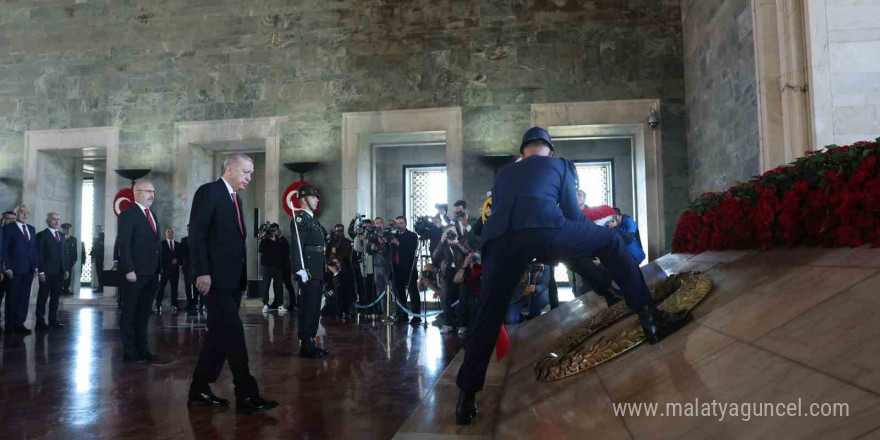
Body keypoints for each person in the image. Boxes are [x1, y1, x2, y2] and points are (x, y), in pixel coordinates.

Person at [454, 126, 691, 425]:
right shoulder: (561, 165)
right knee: (610, 241)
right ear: (550, 151)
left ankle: (465, 399)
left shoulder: (503, 174)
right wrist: (586, 233)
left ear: (521, 153)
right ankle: (650, 318)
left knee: (489, 313)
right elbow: (573, 216)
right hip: (545, 229)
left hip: (500, 243)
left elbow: (495, 216)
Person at [187, 152, 279, 414]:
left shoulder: (236, 199)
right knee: (235, 334)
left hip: (231, 281)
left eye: (251, 173)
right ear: (229, 170)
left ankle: (199, 389)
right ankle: (247, 394)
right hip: (213, 281)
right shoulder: (209, 192)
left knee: (219, 337)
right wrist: (202, 272)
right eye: (246, 172)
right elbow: (197, 235)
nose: (249, 177)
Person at [117, 180, 162, 363]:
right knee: (130, 313)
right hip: (134, 273)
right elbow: (124, 244)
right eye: (148, 191)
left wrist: (158, 270)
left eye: (153, 191)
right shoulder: (128, 214)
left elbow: (156, 245)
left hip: (151, 273)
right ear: (136, 193)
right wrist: (129, 269)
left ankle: (143, 350)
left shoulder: (152, 214)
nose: (152, 195)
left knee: (143, 314)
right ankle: (130, 353)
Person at [290, 184, 331, 359]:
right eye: (314, 197)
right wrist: (300, 269)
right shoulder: (301, 219)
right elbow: (297, 247)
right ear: (304, 200)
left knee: (314, 308)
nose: (317, 200)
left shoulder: (313, 220)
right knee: (308, 307)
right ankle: (306, 344)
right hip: (308, 270)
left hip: (317, 269)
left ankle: (311, 343)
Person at [1, 204, 40, 334]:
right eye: (21, 212)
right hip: (14, 270)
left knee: (24, 298)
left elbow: (33, 250)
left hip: (29, 270)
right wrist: (7, 268)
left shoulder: (31, 229)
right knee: (12, 298)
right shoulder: (8, 229)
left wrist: (35, 266)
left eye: (26, 212)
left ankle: (20, 323)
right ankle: (10, 324)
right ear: (16, 213)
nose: (24, 214)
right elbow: (4, 249)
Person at [35, 212, 69, 330]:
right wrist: (41, 271)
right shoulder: (41, 235)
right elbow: (39, 255)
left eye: (58, 219)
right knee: (43, 297)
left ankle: (53, 320)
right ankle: (40, 321)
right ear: (47, 221)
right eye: (54, 219)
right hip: (47, 272)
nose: (56, 221)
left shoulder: (62, 235)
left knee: (55, 298)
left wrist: (66, 269)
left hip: (59, 272)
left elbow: (64, 254)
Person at [432, 225, 468, 333]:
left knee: (462, 298)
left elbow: (468, 252)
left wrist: (457, 243)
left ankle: (463, 324)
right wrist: (441, 242)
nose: (451, 234)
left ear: (456, 232)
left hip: (460, 272)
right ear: (444, 234)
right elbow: (435, 258)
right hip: (446, 273)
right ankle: (448, 324)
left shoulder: (462, 240)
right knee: (446, 299)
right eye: (448, 233)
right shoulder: (442, 244)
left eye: (453, 231)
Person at [390, 216, 421, 325]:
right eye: (397, 223)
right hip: (396, 268)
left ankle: (417, 316)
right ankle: (402, 315)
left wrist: (398, 243)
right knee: (399, 293)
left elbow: (410, 249)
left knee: (413, 292)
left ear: (406, 223)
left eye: (401, 223)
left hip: (409, 268)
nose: (399, 225)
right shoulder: (393, 235)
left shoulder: (412, 235)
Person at [259, 223, 287, 313]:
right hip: (267, 266)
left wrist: (275, 240)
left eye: (274, 230)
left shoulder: (281, 240)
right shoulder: (266, 239)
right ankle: (265, 304)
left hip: (277, 266)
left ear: (278, 231)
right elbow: (261, 249)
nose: (273, 233)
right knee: (265, 285)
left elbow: (283, 252)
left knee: (279, 286)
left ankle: (280, 305)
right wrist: (264, 238)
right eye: (272, 231)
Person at [0, 211, 17, 333]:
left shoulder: (17, 233)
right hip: (1, 271)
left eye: (13, 219)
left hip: (13, 272)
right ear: (3, 219)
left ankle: (9, 324)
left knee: (11, 300)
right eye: (8, 218)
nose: (11, 221)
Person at [158, 227, 181, 314]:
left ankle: (174, 305)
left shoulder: (178, 244)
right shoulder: (161, 244)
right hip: (164, 270)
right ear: (165, 234)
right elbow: (159, 257)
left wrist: (177, 261)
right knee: (161, 288)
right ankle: (158, 304)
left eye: (172, 232)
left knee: (174, 288)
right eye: (168, 232)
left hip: (175, 271)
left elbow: (181, 257)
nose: (171, 233)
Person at [178, 224, 199, 315]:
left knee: (196, 287)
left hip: (196, 267)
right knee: (187, 286)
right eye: (187, 229)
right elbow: (182, 254)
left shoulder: (198, 239)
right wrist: (181, 265)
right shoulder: (184, 240)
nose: (189, 230)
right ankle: (189, 303)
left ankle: (194, 303)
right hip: (187, 266)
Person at [60, 223, 78, 296]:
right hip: (61, 260)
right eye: (65, 229)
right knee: (61, 275)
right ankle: (60, 289)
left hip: (70, 261)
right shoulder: (60, 238)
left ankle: (66, 289)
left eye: (67, 229)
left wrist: (74, 259)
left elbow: (75, 250)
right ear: (62, 230)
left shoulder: (73, 239)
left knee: (69, 275)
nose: (66, 230)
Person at [90, 225, 105, 293]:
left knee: (100, 273)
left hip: (101, 258)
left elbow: (99, 248)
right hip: (98, 258)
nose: (97, 231)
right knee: (99, 273)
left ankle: (101, 288)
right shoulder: (98, 238)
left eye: (98, 229)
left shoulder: (103, 237)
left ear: (101, 229)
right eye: (96, 229)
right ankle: (100, 287)